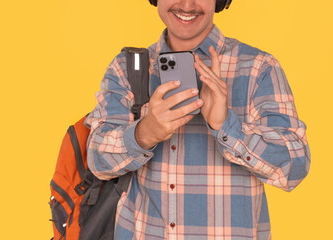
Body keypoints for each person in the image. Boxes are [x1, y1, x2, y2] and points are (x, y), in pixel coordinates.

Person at [85, 0, 311, 239]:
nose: (187, 4)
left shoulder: (259, 68)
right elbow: (98, 162)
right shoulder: (127, 68)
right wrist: (145, 133)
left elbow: (295, 166)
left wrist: (227, 127)